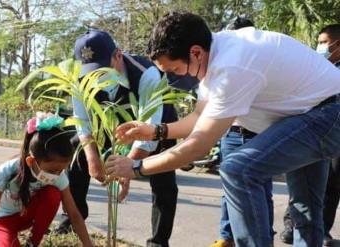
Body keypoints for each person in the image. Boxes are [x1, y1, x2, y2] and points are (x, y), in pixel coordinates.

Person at [105, 11, 340, 247]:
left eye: (174, 70)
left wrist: (136, 167)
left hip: (329, 112)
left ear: (195, 52)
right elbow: (199, 116)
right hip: (308, 111)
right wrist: (156, 131)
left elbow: (198, 146)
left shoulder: (232, 65)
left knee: (239, 170)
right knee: (306, 207)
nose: (173, 77)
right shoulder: (216, 52)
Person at [56, 30, 179, 247]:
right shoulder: (79, 80)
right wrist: (93, 160)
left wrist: (127, 170)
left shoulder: (146, 73)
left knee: (164, 179)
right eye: (90, 71)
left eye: (102, 69)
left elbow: (147, 134)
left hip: (154, 127)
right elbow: (82, 122)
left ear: (118, 55)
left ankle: (158, 241)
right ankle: (73, 219)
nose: (96, 77)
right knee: (77, 151)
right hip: (108, 125)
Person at [0, 112, 94, 247]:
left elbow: (74, 214)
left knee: (53, 193)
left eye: (61, 170)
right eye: (52, 171)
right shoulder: (7, 171)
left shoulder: (58, 176)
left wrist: (89, 245)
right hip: (2, 222)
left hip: (27, 218)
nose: (57, 175)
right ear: (31, 161)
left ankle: (32, 243)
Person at [210, 17, 275, 247]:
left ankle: (264, 237)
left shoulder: (257, 62)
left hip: (258, 133)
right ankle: (226, 237)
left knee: (260, 190)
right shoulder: (223, 66)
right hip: (231, 132)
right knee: (229, 187)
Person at [280, 23, 340, 246]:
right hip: (309, 131)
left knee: (330, 185)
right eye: (320, 42)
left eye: (325, 42)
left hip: (335, 133)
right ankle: (291, 226)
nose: (321, 46)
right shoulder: (312, 65)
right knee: (301, 184)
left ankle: (322, 229)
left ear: (338, 44)